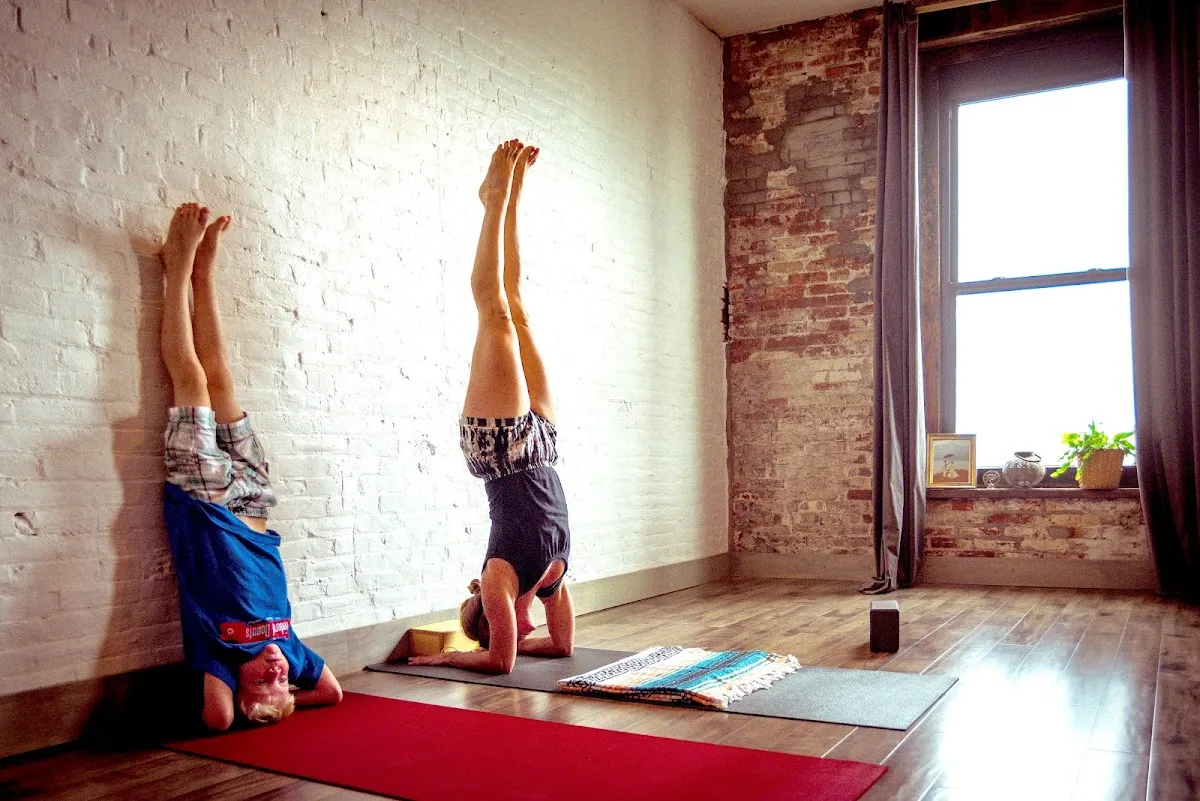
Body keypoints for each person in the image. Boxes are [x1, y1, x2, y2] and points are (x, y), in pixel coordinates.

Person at [158, 203, 343, 730]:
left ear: (238, 681)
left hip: (205, 500)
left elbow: (217, 719)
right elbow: (330, 694)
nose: (278, 672)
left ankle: (178, 267)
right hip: (255, 502)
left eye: (265, 680)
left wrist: (246, 706)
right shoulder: (289, 648)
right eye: (283, 681)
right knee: (223, 380)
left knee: (191, 380)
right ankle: (205, 273)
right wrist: (280, 702)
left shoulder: (219, 652)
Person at [409, 140, 575, 674]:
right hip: (545, 446)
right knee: (519, 310)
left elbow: (497, 663)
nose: (521, 628)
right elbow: (561, 648)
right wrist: (534, 642)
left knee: (495, 315)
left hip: (500, 449)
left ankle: (493, 201)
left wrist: (444, 663)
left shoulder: (498, 581)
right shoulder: (548, 580)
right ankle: (513, 197)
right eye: (518, 629)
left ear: (487, 613)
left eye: (505, 625)